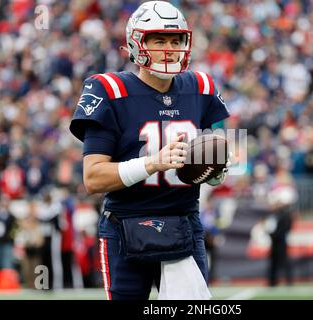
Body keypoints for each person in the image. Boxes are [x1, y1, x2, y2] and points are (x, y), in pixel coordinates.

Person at [69, 1, 230, 300]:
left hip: (183, 223)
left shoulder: (201, 85)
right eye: (158, 40)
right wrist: (152, 163)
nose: (169, 48)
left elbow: (220, 155)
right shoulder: (108, 89)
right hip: (125, 225)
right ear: (136, 43)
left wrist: (216, 172)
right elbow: (93, 178)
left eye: (176, 40)